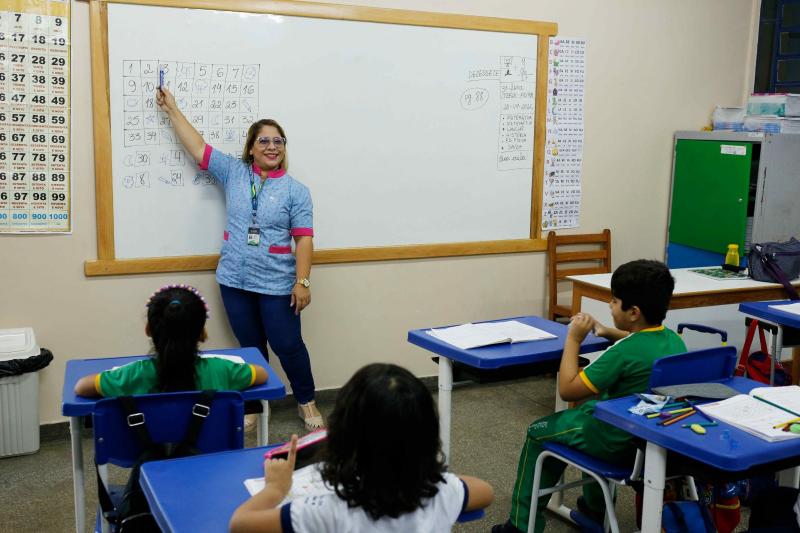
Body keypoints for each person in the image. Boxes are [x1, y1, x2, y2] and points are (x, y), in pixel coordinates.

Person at [156, 86, 323, 430]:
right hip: (234, 280)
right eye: (264, 141)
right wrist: (172, 109)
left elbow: (304, 240)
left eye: (278, 141)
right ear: (250, 148)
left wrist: (302, 282)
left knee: (288, 346)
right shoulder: (234, 172)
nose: (272, 146)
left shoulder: (296, 191)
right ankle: (255, 404)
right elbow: (198, 147)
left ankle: (306, 401)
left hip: (276, 283)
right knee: (250, 348)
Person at [493, 259, 687, 533]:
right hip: (651, 442)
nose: (609, 305)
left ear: (633, 312)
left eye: (614, 301)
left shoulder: (622, 353)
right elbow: (640, 343)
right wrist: (608, 331)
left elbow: (568, 389)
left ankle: (521, 525)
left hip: (614, 441)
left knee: (539, 431)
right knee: (592, 410)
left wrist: (573, 339)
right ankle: (595, 509)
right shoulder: (674, 341)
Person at [228, 363, 494, 532]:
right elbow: (485, 491)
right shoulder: (441, 493)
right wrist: (420, 472)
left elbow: (240, 524)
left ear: (341, 436)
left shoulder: (325, 510)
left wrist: (275, 489)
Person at [74, 284, 268, 397]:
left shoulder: (132, 375)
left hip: (151, 456)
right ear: (202, 333)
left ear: (148, 330)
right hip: (213, 455)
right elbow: (262, 374)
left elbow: (81, 387)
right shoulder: (222, 370)